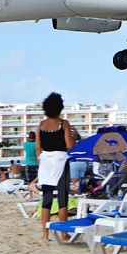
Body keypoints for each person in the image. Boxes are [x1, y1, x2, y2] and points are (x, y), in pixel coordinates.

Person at [36, 92, 75, 241]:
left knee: (46, 199)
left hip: (46, 162)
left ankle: (45, 234)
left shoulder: (41, 125)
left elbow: (38, 148)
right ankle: (63, 233)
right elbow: (69, 145)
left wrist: (42, 164)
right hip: (60, 161)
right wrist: (74, 136)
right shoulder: (63, 123)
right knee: (62, 198)